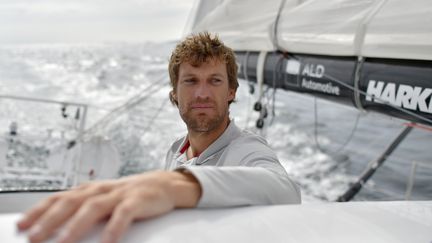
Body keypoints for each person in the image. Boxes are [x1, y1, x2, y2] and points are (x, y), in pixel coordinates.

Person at [16, 32, 301, 243]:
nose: (202, 93)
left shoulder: (246, 149)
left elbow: (285, 190)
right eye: (190, 81)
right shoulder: (176, 150)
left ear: (231, 92)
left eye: (215, 80)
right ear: (175, 94)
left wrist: (173, 184)